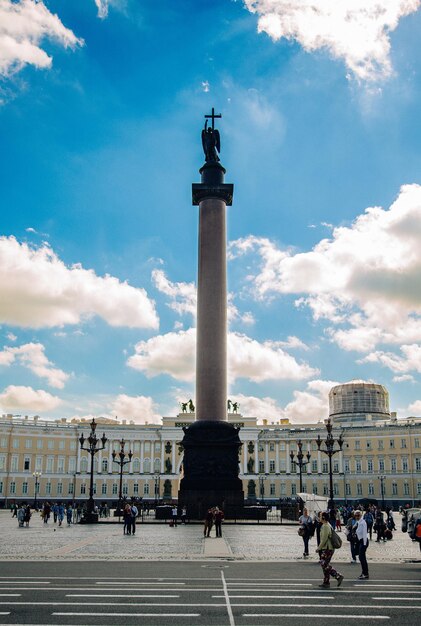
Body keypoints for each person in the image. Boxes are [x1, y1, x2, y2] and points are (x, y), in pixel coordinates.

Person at [316, 511, 344, 588]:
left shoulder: (325, 526)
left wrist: (319, 548)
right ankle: (326, 582)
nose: (319, 517)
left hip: (327, 548)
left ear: (324, 518)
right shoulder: (328, 525)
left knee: (323, 563)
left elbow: (324, 539)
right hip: (329, 548)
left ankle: (337, 575)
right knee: (325, 565)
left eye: (321, 516)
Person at [354, 509, 369, 580]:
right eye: (356, 515)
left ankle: (365, 573)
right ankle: (364, 573)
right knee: (362, 558)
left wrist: (364, 544)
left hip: (364, 541)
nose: (357, 517)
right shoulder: (358, 522)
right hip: (361, 541)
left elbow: (364, 533)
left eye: (358, 515)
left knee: (361, 558)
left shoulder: (363, 522)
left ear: (361, 515)